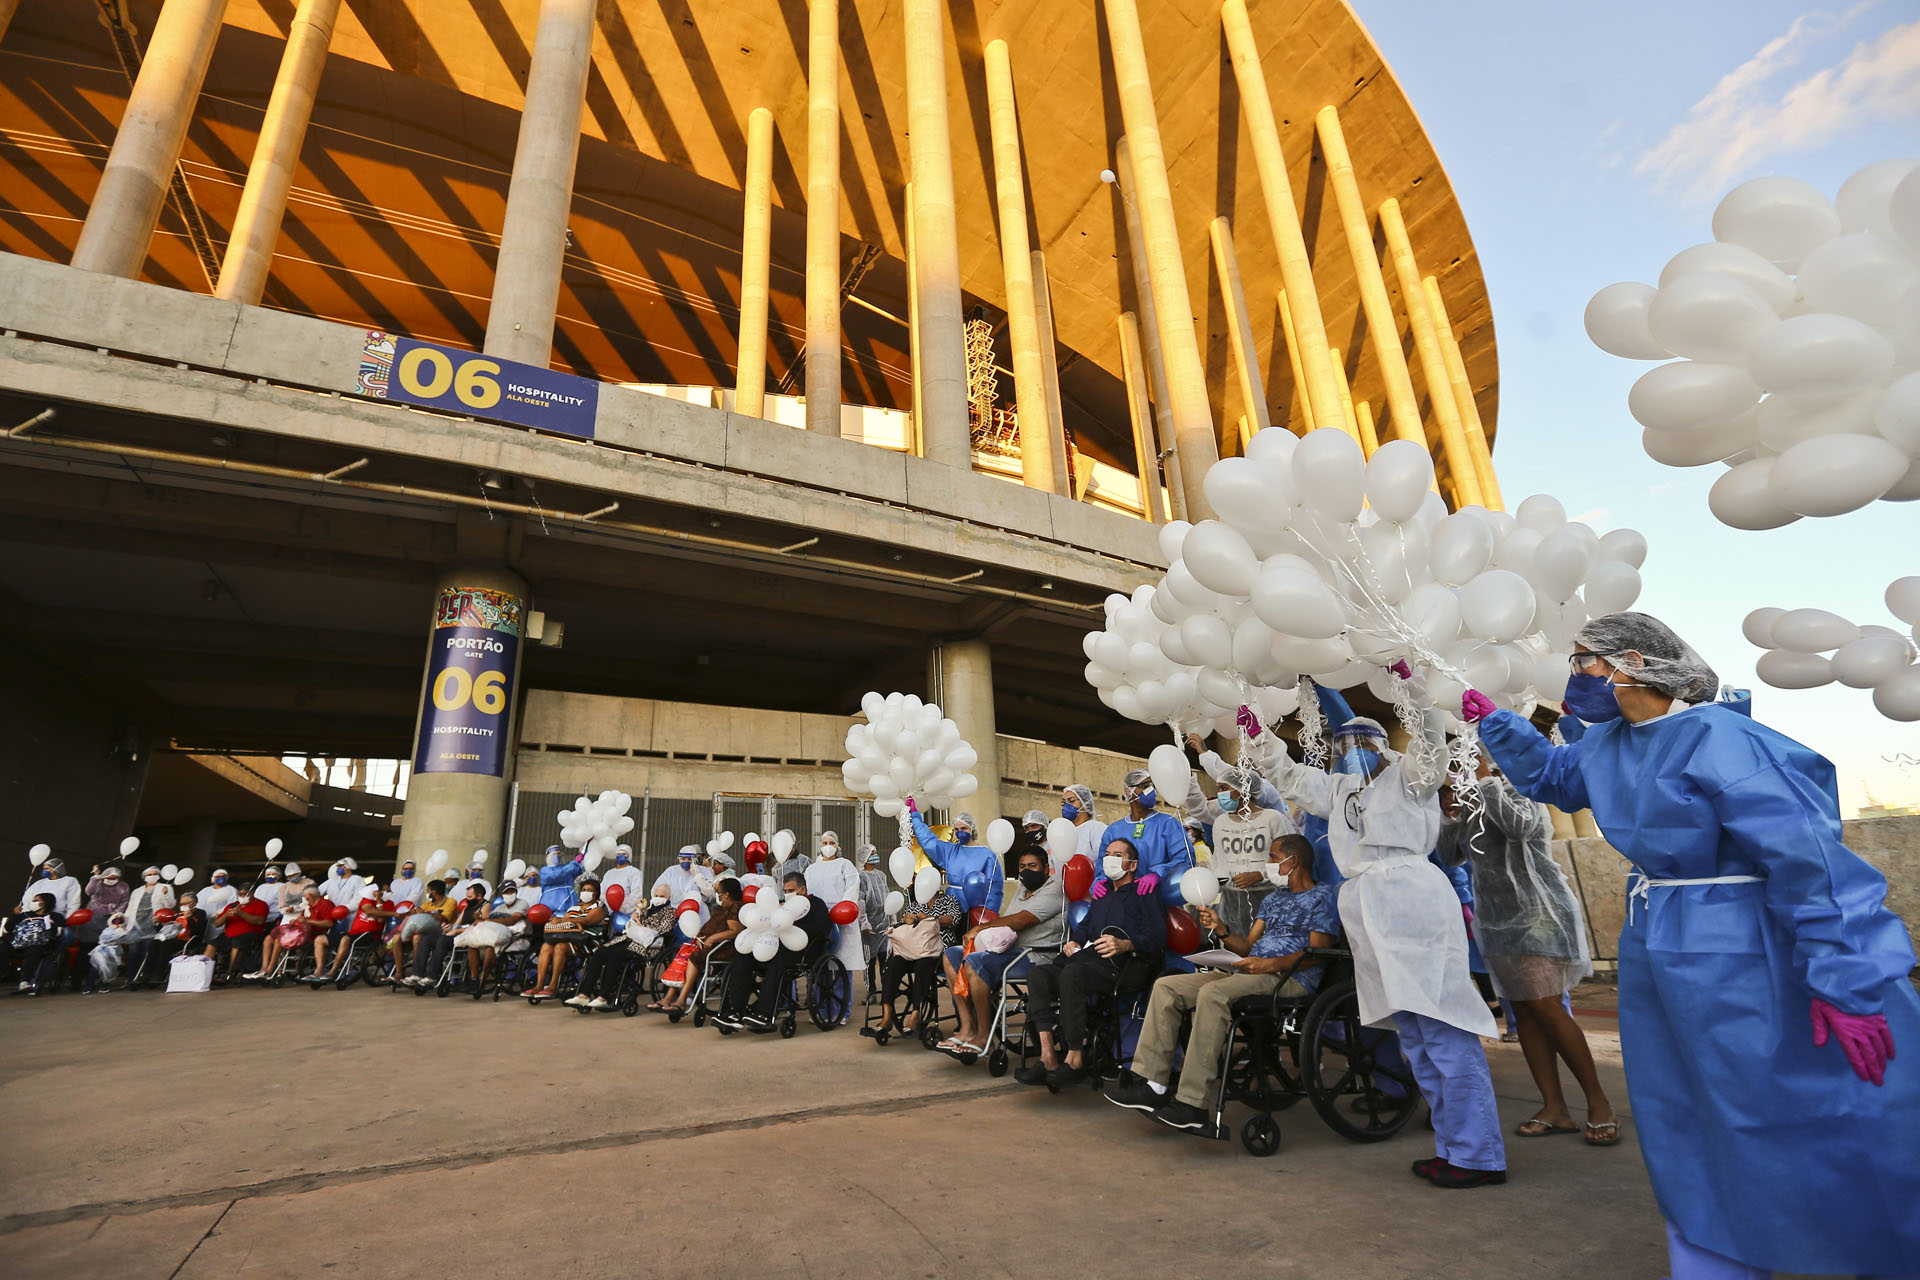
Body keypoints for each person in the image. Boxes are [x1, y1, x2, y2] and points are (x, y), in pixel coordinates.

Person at [1468, 611, 1920, 1274]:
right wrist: (1497, 723)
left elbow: (1808, 861)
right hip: (1658, 942)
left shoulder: (1722, 739)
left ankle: (1845, 1242)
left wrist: (1845, 979)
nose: (1573, 676)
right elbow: (1554, 780)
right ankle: (1713, 1243)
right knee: (1682, 1103)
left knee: (1772, 1100)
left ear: (1632, 662)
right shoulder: (1608, 744)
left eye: (1583, 660)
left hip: (1740, 941)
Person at [1243, 678, 1508, 1190]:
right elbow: (1289, 775)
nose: (1351, 754)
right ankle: (1452, 1148)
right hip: (1368, 908)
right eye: (1343, 746)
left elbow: (1430, 741)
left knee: (1443, 1027)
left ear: (1384, 745)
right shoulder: (1339, 789)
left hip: (1412, 900)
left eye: (1361, 744)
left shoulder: (1410, 778)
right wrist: (1258, 740)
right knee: (1414, 1036)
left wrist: (1415, 692)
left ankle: (1479, 1155)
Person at [1107, 835, 1338, 1134]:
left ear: (1292, 861)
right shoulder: (1273, 899)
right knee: (1168, 987)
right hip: (1250, 973)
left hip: (1290, 979)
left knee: (1212, 993)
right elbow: (1246, 947)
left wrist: (1269, 964)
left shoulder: (1323, 897)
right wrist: (1222, 929)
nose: (1267, 864)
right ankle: (1153, 1085)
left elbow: (1317, 953)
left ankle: (1192, 1103)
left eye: (1272, 857)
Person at [1438, 752, 1614, 1143]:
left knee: (1547, 1006)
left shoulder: (1521, 792)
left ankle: (1598, 1101)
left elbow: (1521, 828)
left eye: (1472, 760)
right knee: (1524, 1009)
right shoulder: (1471, 801)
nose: (1464, 768)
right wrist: (1451, 811)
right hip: (1497, 922)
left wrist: (1486, 783)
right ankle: (1554, 1106)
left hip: (1539, 915)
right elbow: (1451, 856)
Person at [1015, 837, 1166, 1087]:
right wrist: (1073, 941)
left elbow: (1157, 937)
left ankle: (1075, 1059)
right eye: (1107, 853)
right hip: (1088, 962)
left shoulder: (1144, 893)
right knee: (1039, 975)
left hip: (1125, 966)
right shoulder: (1103, 893)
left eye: (1117, 854)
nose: (1109, 859)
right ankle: (1048, 1056)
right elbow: (1085, 928)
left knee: (1072, 974)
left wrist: (1126, 944)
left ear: (1132, 864)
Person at [938, 844, 1065, 1055]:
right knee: (951, 955)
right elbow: (1006, 922)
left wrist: (980, 929)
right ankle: (968, 1027)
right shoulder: (1023, 890)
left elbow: (1020, 920)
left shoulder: (1054, 890)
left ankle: (984, 1036)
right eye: (1022, 866)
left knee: (975, 962)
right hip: (1011, 950)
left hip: (1035, 955)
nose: (1026, 871)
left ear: (1045, 868)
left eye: (1032, 866)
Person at [1182, 759, 1296, 937]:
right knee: (1237, 952)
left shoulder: (1273, 819)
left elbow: (1292, 860)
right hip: (1233, 903)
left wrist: (1260, 875)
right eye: (1219, 788)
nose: (1220, 794)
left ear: (1243, 789)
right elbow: (1220, 863)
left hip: (1272, 898)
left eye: (1224, 788)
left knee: (1271, 949)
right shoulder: (1220, 823)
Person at [714, 873, 832, 1032]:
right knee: (742, 957)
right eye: (785, 890)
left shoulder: (816, 904)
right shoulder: (780, 904)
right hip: (772, 945)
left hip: (802, 949)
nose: (787, 894)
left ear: (802, 889)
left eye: (791, 890)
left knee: (778, 964)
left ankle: (764, 1014)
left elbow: (822, 928)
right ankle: (733, 1012)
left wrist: (790, 927)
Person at [865, 876, 964, 1044]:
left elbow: (953, 919)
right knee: (894, 964)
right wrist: (907, 919)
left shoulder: (948, 900)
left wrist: (932, 919)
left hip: (935, 950)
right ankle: (887, 1015)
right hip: (911, 949)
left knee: (924, 965)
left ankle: (916, 1014)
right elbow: (906, 923)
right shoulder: (915, 904)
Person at [1093, 769, 1193, 906]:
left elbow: (1186, 860)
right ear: (1129, 791)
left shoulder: (1168, 824)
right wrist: (1099, 882)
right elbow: (1102, 866)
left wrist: (1157, 874)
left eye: (1152, 786)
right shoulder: (1113, 830)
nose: (1151, 790)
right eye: (1145, 786)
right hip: (1123, 903)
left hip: (1161, 901)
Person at [659, 878, 744, 1014]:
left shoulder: (736, 907)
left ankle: (681, 1001)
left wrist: (712, 938)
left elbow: (734, 931)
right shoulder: (721, 908)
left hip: (723, 948)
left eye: (718, 892)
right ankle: (668, 998)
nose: (717, 895)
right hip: (708, 945)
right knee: (683, 953)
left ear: (726, 894)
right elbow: (709, 926)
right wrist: (699, 937)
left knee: (693, 956)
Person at [904, 801, 1000, 915]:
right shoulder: (950, 851)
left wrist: (990, 913)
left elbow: (995, 888)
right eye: (957, 829)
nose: (960, 832)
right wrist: (915, 815)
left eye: (964, 828)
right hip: (951, 910)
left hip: (977, 910)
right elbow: (928, 840)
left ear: (972, 829)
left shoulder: (986, 855)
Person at [804, 830, 863, 1015]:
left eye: (832, 843)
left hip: (842, 919)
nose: (828, 846)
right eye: (824, 843)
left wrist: (841, 910)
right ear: (819, 846)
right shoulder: (811, 869)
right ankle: (821, 1010)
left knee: (841, 966)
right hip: (819, 920)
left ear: (838, 846)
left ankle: (841, 1011)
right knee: (819, 966)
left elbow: (852, 888)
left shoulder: (845, 865)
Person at [525, 876, 606, 997]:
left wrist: (563, 919)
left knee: (560, 947)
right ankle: (539, 984)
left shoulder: (599, 908)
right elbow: (564, 921)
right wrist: (559, 921)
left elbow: (588, 921)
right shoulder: (574, 907)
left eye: (590, 890)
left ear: (596, 893)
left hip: (588, 941)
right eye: (584, 889)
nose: (586, 892)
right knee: (546, 946)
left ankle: (553, 985)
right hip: (569, 937)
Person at [251, 883, 323, 981]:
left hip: (310, 935)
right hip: (299, 931)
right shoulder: (308, 907)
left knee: (279, 940)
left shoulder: (324, 905)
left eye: (306, 898)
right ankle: (264, 967)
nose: (305, 900)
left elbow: (327, 923)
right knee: (268, 939)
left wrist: (306, 921)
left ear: (311, 896)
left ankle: (271, 969)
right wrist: (296, 921)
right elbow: (301, 918)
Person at [392, 879, 457, 984]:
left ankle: (417, 972)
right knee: (396, 938)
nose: (427, 893)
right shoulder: (428, 904)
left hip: (440, 932)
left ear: (434, 892)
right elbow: (417, 913)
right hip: (423, 930)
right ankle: (399, 973)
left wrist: (425, 913)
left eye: (428, 891)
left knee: (417, 938)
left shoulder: (451, 902)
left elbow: (445, 917)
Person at [121, 867, 175, 987]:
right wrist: (125, 921)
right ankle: (130, 978)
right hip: (135, 925)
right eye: (149, 874)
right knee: (133, 952)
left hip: (153, 925)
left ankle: (142, 978)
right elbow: (130, 908)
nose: (152, 875)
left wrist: (166, 894)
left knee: (147, 952)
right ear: (144, 876)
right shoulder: (137, 891)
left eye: (155, 874)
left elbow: (170, 905)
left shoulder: (165, 888)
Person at [6, 893, 66, 994]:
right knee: (3, 948)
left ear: (45, 903)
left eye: (36, 900)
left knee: (34, 950)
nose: (32, 903)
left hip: (40, 945)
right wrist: (14, 915)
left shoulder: (55, 916)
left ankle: (24, 982)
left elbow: (57, 932)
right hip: (19, 945)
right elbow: (8, 928)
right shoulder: (24, 915)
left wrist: (46, 922)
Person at [652, 845, 713, 943]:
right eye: (683, 859)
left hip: (698, 912)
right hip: (673, 913)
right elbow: (656, 888)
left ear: (695, 859)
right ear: (679, 859)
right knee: (676, 943)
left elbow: (710, 892)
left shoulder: (703, 871)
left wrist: (697, 875)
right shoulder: (671, 871)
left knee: (699, 942)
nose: (686, 861)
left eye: (689, 859)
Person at [207, 884, 269, 980]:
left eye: (245, 894)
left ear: (252, 894)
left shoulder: (260, 904)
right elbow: (217, 924)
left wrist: (241, 913)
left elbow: (259, 921)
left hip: (250, 934)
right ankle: (205, 973)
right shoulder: (232, 905)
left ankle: (230, 973)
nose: (242, 896)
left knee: (237, 942)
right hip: (229, 935)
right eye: (240, 894)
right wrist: (225, 916)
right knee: (212, 943)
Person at [856, 845, 890, 971]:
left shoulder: (881, 875)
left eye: (876, 853)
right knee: (869, 957)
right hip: (870, 922)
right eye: (872, 854)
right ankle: (871, 988)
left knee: (884, 955)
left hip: (883, 922)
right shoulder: (861, 877)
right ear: (864, 858)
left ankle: (886, 987)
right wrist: (864, 923)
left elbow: (887, 896)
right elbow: (861, 901)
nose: (876, 855)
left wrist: (891, 919)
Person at [1060, 784, 1105, 865]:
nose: (1066, 806)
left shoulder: (1096, 828)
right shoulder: (1064, 832)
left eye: (1072, 800)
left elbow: (1104, 860)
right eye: (1064, 803)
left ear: (1086, 804)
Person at [601, 845, 644, 926]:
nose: (620, 856)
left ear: (629, 856)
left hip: (626, 915)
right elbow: (602, 892)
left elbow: (636, 894)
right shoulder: (609, 873)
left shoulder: (634, 872)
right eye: (618, 853)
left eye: (624, 854)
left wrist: (623, 908)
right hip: (607, 914)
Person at [533, 848, 581, 916]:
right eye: (554, 854)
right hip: (550, 906)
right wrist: (574, 863)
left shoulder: (567, 867)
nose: (557, 856)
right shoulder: (544, 870)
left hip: (569, 905)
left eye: (558, 854)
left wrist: (579, 861)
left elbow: (578, 870)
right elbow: (556, 875)